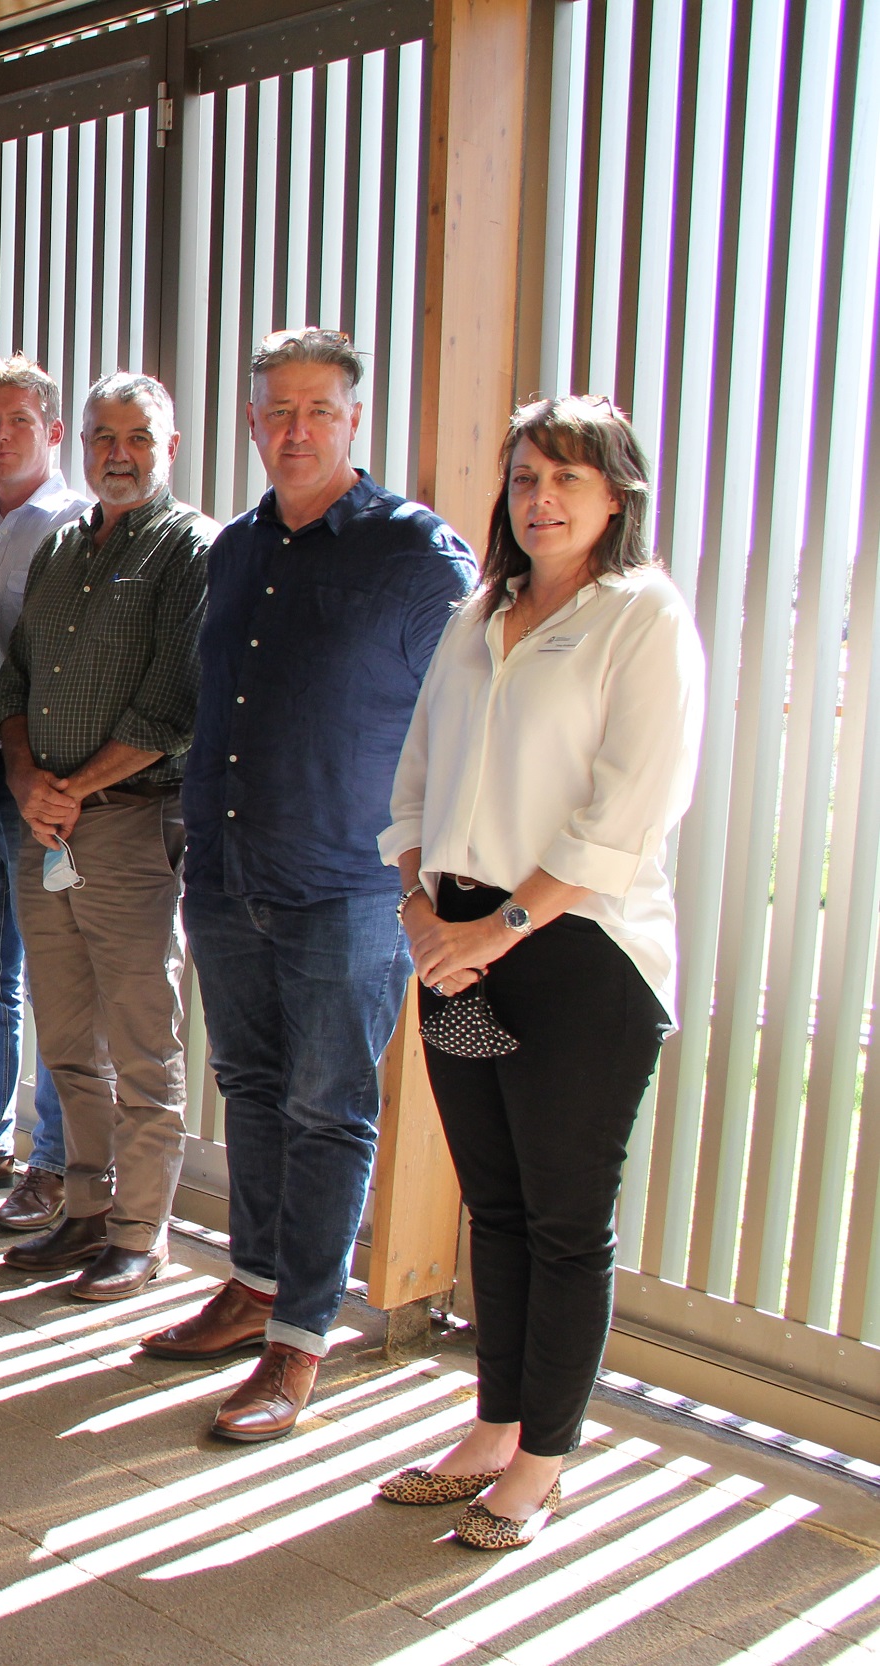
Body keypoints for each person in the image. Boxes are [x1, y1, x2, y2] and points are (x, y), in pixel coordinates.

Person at [375, 397, 702, 1549]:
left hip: (575, 955)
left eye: (566, 476)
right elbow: (413, 779)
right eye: (522, 477)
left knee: (566, 1220)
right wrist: (420, 909)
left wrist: (497, 927)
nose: (540, 498)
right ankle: (491, 1425)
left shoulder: (642, 618)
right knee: (496, 1208)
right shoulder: (480, 614)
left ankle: (544, 1460)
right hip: (452, 947)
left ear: (616, 494)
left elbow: (627, 816)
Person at [147, 327, 477, 1441]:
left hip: (347, 881)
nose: (292, 432)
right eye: (274, 412)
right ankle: (253, 1281)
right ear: (251, 421)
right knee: (247, 1084)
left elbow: (471, 717)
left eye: (315, 412)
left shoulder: (416, 554)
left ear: (351, 421)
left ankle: (300, 1340)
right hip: (230, 866)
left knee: (327, 1106)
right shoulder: (234, 547)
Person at [0, 374, 215, 1301]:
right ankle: (84, 1208)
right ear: (77, 443)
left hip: (126, 828)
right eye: (99, 435)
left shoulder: (192, 549)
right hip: (45, 829)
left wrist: (73, 788)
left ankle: (141, 1231)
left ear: (169, 444)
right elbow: (13, 679)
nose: (116, 452)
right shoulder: (60, 547)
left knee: (141, 1043)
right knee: (66, 1035)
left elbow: (174, 703)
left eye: (136, 436)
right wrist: (26, 782)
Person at [0, 356, 90, 1233]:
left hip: (46, 780)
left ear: (54, 432)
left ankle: (55, 1158)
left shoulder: (76, 525)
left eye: (17, 421)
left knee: (57, 977)